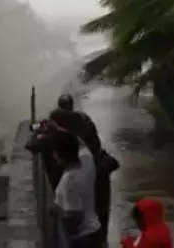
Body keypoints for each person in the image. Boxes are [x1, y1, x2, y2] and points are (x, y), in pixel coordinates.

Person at [56, 93, 116, 247]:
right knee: (97, 214)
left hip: (94, 177)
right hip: (95, 175)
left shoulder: (77, 124)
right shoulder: (81, 122)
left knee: (95, 212)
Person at [49, 131, 100, 248]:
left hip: (81, 240)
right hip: (93, 231)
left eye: (55, 151)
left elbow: (75, 217)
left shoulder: (70, 181)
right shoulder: (87, 161)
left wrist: (56, 211)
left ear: (60, 154)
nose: (53, 155)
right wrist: (56, 129)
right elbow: (80, 143)